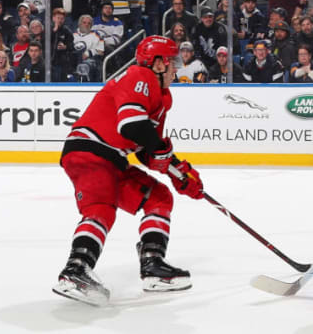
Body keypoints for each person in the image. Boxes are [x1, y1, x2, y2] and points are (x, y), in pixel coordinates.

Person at [52, 35, 205, 306]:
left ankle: (153, 266)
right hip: (91, 151)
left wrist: (178, 172)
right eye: (172, 61)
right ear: (157, 63)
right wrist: (169, 160)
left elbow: (148, 149)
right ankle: (76, 270)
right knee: (101, 207)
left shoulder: (161, 97)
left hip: (113, 159)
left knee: (159, 197)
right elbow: (131, 126)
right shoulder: (139, 76)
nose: (176, 67)